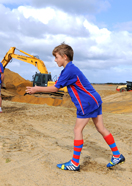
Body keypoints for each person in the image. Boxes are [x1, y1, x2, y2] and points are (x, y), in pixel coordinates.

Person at [26, 43, 125, 171]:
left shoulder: (69, 70)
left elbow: (56, 88)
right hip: (95, 99)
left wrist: (36, 89)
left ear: (64, 56)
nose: (55, 60)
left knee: (77, 130)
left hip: (87, 103)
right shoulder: (69, 69)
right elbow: (57, 84)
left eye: (56, 57)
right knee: (101, 128)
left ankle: (75, 162)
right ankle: (117, 155)